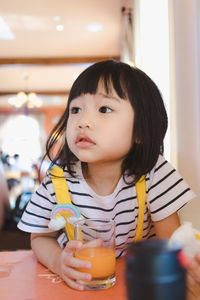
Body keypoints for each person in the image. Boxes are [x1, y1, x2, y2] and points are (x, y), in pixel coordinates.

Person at [18, 60, 199, 292]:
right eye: (75, 110)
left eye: (104, 109)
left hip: (135, 281)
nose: (83, 122)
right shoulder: (58, 180)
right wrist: (58, 262)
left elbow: (171, 244)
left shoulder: (153, 171)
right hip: (76, 282)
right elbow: (40, 238)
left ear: (140, 131)